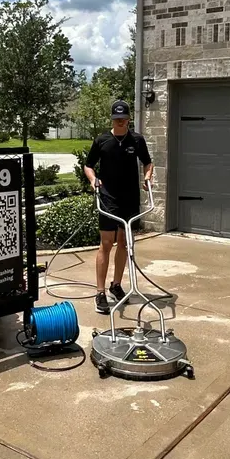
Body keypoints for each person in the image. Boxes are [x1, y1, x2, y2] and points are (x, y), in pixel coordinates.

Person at [83, 100, 154, 315]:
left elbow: (147, 163)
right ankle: (100, 292)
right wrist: (93, 179)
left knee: (123, 243)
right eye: (117, 119)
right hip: (108, 197)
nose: (120, 121)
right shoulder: (102, 140)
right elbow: (88, 165)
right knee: (106, 243)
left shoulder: (137, 140)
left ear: (129, 119)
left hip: (129, 198)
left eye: (123, 118)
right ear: (112, 119)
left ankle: (116, 285)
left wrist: (148, 177)